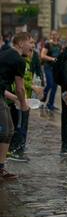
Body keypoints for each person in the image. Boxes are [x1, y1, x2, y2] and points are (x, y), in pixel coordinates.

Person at [0, 32, 33, 180]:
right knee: (7, 130)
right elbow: (20, 88)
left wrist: (15, 99)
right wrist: (24, 105)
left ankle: (1, 168)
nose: (32, 46)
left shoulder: (5, 53)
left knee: (8, 130)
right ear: (20, 43)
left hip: (1, 94)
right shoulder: (19, 60)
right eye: (30, 42)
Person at [40, 30, 62, 112]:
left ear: (58, 35)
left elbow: (60, 55)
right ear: (50, 36)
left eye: (55, 34)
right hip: (48, 67)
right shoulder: (48, 44)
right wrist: (52, 59)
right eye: (52, 35)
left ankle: (50, 104)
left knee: (55, 87)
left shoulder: (59, 45)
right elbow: (42, 55)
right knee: (50, 84)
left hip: (56, 68)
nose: (54, 36)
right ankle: (44, 97)